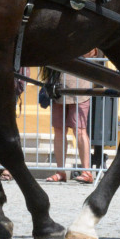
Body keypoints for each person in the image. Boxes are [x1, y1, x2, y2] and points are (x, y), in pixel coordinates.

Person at [42, 51, 96, 184]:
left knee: (80, 130)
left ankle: (87, 172)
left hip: (80, 87)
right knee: (59, 130)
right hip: (57, 86)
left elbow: (94, 52)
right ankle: (60, 172)